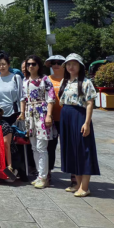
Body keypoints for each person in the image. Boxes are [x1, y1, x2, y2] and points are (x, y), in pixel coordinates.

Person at [58, 53, 100, 197]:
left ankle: (85, 187)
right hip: (66, 116)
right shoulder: (64, 81)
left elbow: (89, 103)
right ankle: (78, 183)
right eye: (68, 64)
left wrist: (86, 123)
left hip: (79, 116)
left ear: (80, 66)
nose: (71, 67)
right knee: (71, 149)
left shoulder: (86, 82)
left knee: (83, 149)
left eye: (74, 64)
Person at [19, 55, 56, 189]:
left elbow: (51, 98)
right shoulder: (25, 81)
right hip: (30, 114)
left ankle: (44, 177)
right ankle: (39, 175)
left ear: (38, 65)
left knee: (41, 147)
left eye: (33, 64)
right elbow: (23, 99)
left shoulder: (45, 80)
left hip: (42, 113)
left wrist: (49, 115)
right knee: (34, 147)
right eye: (28, 64)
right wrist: (22, 113)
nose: (31, 66)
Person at [45, 55, 66, 183]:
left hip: (66, 119)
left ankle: (73, 174)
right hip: (51, 119)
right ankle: (47, 172)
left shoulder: (69, 80)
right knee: (50, 146)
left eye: (59, 63)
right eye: (53, 63)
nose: (56, 65)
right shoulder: (47, 80)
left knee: (68, 147)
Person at [0, 52, 23, 125]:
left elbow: (21, 97)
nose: (1, 67)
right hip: (0, 115)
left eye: (3, 64)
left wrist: (22, 112)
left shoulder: (16, 78)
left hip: (14, 114)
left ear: (8, 65)